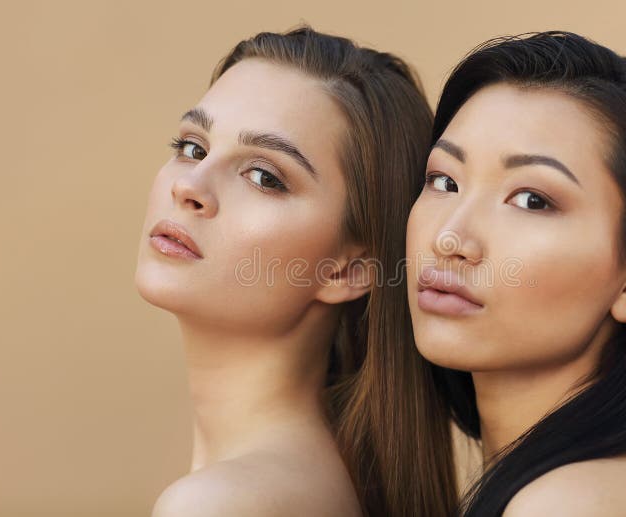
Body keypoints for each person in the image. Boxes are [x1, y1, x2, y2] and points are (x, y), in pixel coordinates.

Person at [135, 26, 455, 516]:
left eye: (265, 177)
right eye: (193, 148)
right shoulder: (321, 481)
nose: (190, 186)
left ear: (349, 270)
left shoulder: (220, 504)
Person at [406, 31, 626, 516]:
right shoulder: (599, 482)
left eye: (532, 200)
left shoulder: (573, 502)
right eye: (444, 181)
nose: (449, 238)